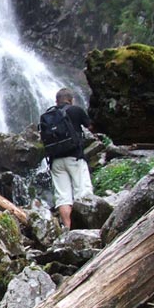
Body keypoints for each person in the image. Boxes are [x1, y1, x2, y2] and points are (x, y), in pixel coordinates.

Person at [49, 88, 93, 230]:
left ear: (57, 101)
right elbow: (90, 126)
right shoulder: (76, 110)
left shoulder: (49, 115)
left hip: (56, 161)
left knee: (63, 197)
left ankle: (69, 228)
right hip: (75, 157)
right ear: (71, 99)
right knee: (82, 191)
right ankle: (85, 227)